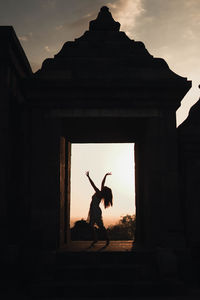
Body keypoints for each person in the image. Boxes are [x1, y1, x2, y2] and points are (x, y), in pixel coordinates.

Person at [86, 171, 113, 247]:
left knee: (100, 226)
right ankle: (96, 239)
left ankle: (107, 239)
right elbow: (102, 183)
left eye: (104, 187)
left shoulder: (98, 192)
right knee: (91, 225)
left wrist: (88, 177)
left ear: (104, 190)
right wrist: (105, 175)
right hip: (94, 210)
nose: (103, 186)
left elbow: (93, 184)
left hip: (95, 211)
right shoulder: (101, 193)